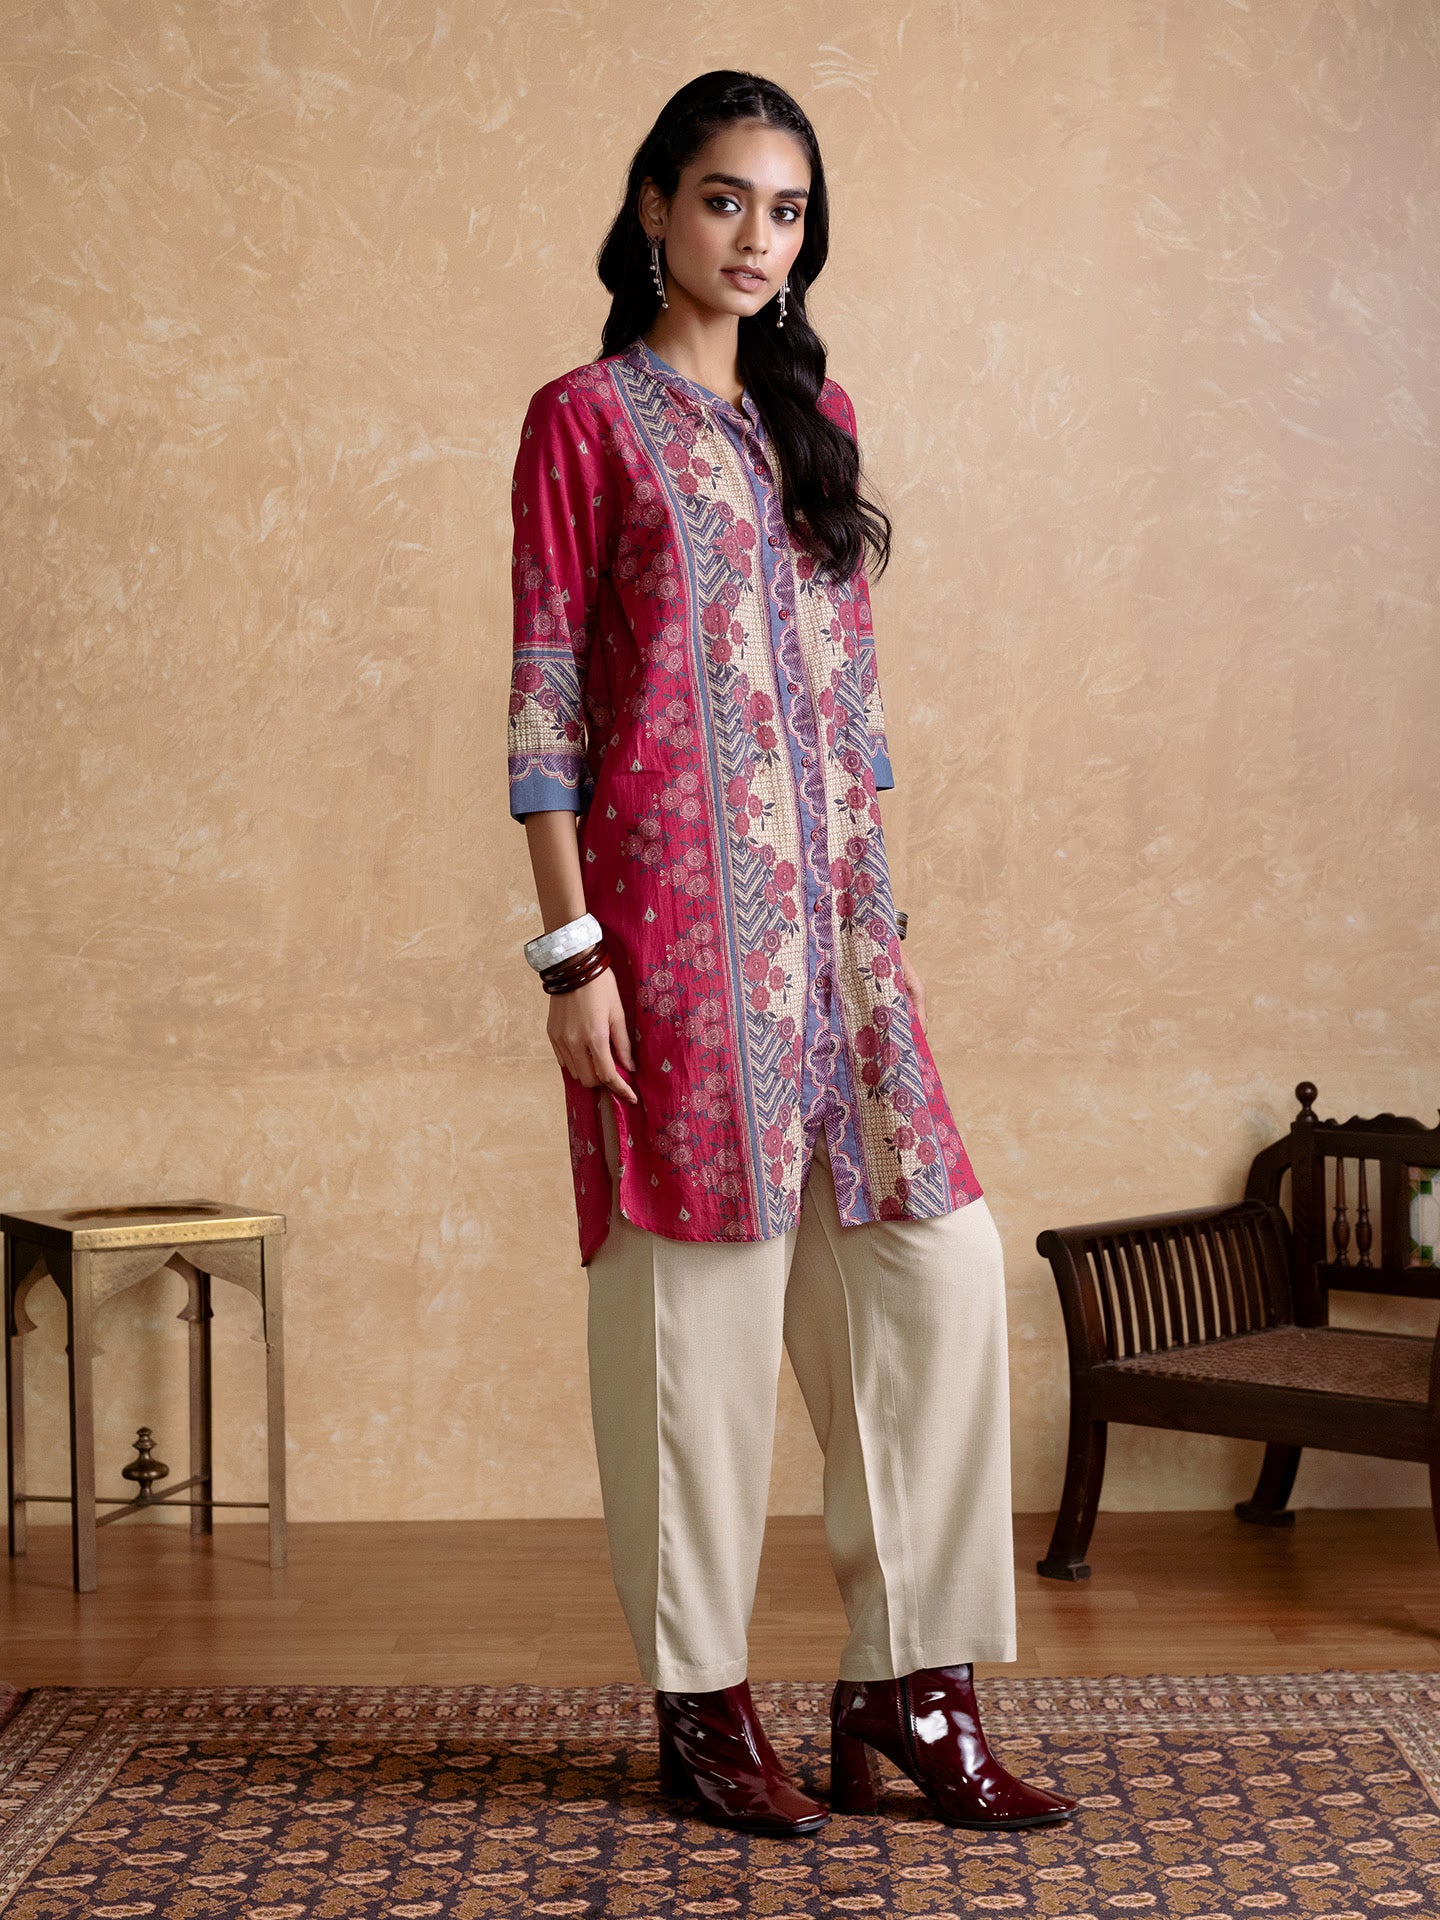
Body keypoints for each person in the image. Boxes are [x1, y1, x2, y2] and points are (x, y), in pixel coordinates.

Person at [507, 69, 1076, 1840]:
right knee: (695, 1324)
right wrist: (570, 952)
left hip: (840, 938)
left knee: (937, 1272)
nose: (759, 239)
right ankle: (702, 1708)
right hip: (671, 936)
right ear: (657, 209)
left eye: (789, 211)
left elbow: (858, 706)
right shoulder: (585, 419)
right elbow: (548, 692)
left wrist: (878, 916)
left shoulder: (808, 414)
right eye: (727, 201)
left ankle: (910, 1687)